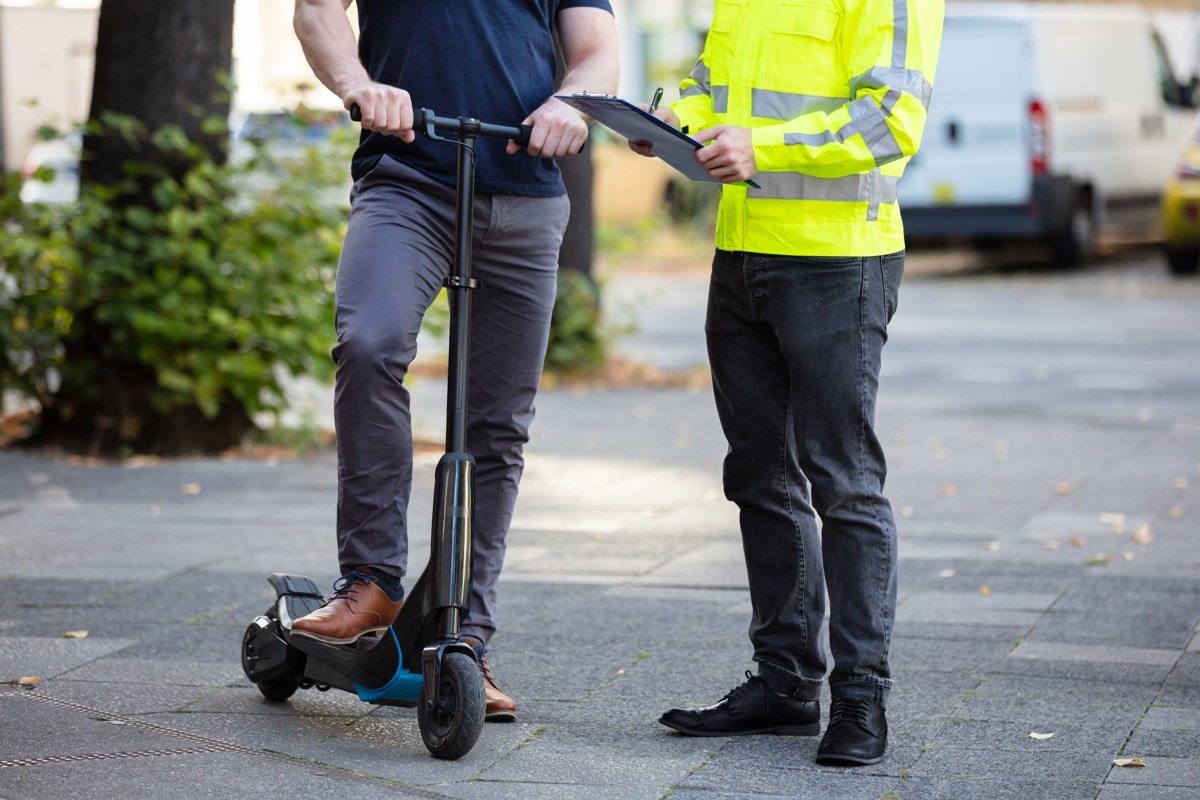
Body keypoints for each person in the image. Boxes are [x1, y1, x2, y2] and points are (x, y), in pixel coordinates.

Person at [631, 0, 942, 765]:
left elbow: (893, 118)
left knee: (844, 480)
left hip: (840, 263)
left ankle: (861, 702)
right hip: (741, 254)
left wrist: (762, 148)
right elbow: (713, 84)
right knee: (759, 474)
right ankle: (785, 683)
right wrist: (667, 117)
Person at [289, 0, 619, 722]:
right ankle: (371, 581)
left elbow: (596, 51)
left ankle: (465, 636)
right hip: (406, 180)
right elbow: (315, 11)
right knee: (369, 344)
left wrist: (572, 102)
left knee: (497, 426)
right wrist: (356, 84)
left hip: (526, 193)